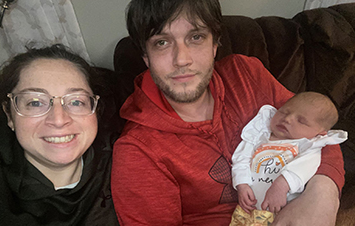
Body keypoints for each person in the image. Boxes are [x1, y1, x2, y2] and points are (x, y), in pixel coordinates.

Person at [111, 0, 345, 225]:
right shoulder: (137, 151)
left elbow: (317, 130)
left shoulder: (246, 75)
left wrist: (324, 192)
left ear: (214, 45)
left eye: (196, 37)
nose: (181, 59)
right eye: (162, 42)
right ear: (146, 57)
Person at [0, 44, 119, 226]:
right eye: (36, 102)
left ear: (95, 110)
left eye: (76, 101)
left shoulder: (127, 160)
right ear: (10, 115)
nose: (59, 119)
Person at [231, 92, 347, 218]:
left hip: (283, 210)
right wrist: (242, 183)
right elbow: (241, 159)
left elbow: (304, 167)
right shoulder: (259, 135)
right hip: (248, 209)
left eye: (301, 121)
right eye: (284, 112)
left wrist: (281, 186)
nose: (287, 119)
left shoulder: (308, 146)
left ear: (320, 133)